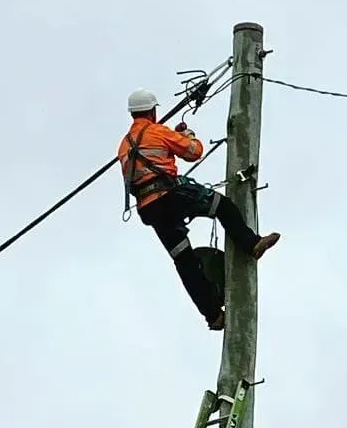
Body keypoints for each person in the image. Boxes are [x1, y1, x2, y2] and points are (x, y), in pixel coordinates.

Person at [119, 88, 280, 331]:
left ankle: (213, 315)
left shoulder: (123, 146)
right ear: (152, 111)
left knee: (184, 260)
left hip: (149, 209)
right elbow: (194, 152)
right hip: (170, 197)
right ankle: (251, 243)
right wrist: (187, 135)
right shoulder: (157, 131)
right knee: (223, 206)